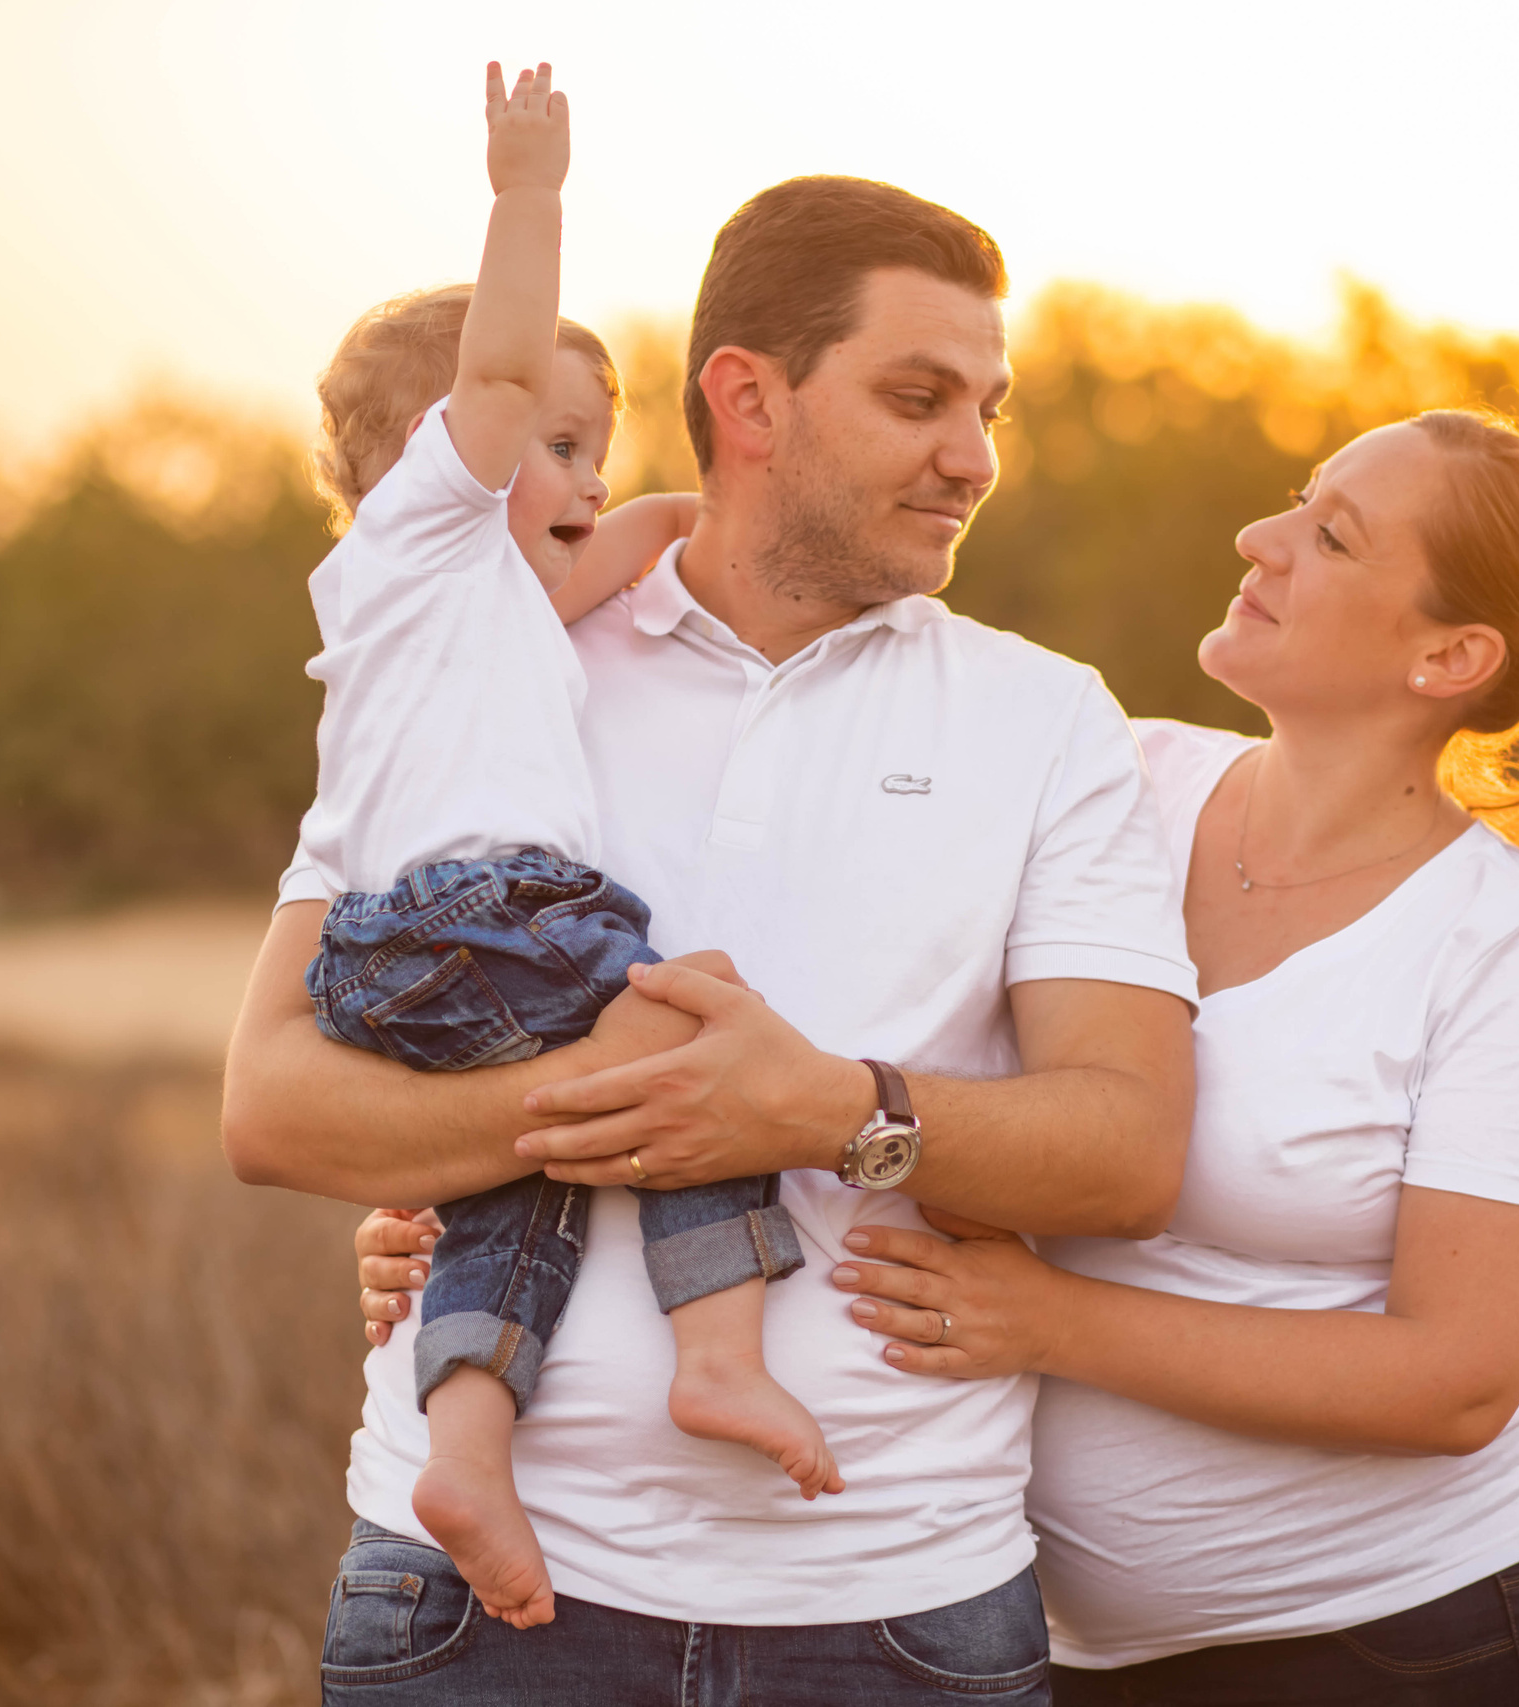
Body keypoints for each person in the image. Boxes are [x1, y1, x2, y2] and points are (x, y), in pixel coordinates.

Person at [365, 409, 1519, 1703]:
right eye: (1298, 497)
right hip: (1064, 1649)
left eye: (1330, 537)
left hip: (1413, 1638)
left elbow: (1456, 1382)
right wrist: (495, 1216)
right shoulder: (1115, 777)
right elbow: (850, 1046)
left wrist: (1053, 1322)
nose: (1261, 536)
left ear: (1450, 655)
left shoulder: (1504, 940)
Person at [226, 169, 1200, 1702]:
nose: (973, 458)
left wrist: (824, 1112)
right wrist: (550, 1123)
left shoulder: (1045, 718)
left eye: (988, 408)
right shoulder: (492, 672)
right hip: (474, 1621)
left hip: (898, 1612)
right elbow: (269, 1108)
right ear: (748, 396)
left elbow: (1127, 1152)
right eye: (919, 397)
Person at [283, 62, 833, 1634]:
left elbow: (629, 550)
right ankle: (720, 1358)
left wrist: (663, 511)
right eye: (557, 443)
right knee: (688, 1027)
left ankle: (467, 1445)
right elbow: (505, 378)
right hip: (480, 914)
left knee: (524, 1179)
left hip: (420, 949)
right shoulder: (420, 535)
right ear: (438, 447)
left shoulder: (472, 611)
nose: (582, 477)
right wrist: (532, 195)